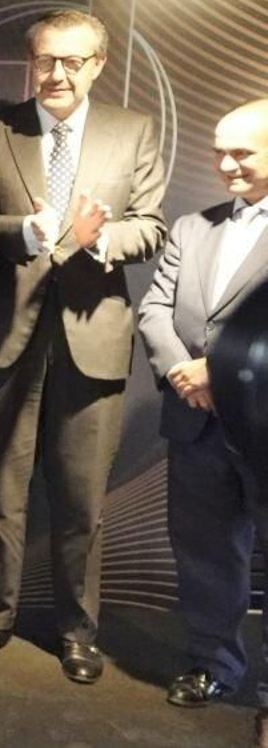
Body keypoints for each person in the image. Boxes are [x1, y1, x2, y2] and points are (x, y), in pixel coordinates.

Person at [0, 9, 168, 684]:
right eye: (46, 59)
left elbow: (152, 228)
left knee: (82, 501)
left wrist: (96, 238)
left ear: (98, 64)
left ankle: (78, 630)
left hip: (94, 337)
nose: (56, 74)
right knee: (0, 492)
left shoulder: (133, 131)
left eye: (72, 61)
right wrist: (27, 229)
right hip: (6, 335)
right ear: (32, 61)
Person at [137, 99, 268, 715]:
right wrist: (184, 375)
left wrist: (220, 371)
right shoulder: (193, 226)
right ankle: (213, 664)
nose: (225, 164)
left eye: (242, 151)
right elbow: (155, 310)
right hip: (196, 424)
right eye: (219, 150)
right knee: (206, 553)